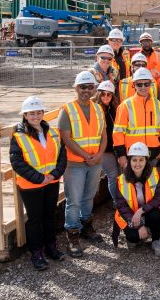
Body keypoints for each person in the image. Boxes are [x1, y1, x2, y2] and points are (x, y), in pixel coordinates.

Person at [10, 96, 67, 270]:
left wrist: (54, 174)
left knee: (49, 215)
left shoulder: (54, 133)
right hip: (31, 185)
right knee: (35, 219)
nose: (35, 116)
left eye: (38, 112)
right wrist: (39, 178)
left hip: (51, 181)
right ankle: (36, 252)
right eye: (31, 113)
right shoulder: (18, 137)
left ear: (43, 113)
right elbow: (17, 162)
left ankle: (51, 246)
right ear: (25, 115)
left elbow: (62, 156)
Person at [58, 71, 106, 257]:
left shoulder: (97, 108)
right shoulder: (67, 110)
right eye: (82, 87)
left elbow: (103, 135)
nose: (86, 90)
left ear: (95, 89)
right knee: (74, 201)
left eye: (90, 87)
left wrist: (99, 154)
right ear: (76, 88)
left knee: (88, 197)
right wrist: (87, 155)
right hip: (75, 163)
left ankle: (86, 226)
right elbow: (66, 138)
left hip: (94, 162)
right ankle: (73, 234)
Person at [113, 142, 160, 256]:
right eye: (134, 160)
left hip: (148, 211)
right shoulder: (121, 180)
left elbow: (159, 198)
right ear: (129, 161)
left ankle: (156, 240)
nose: (137, 163)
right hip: (130, 215)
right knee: (133, 238)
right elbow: (122, 206)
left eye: (141, 160)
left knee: (157, 215)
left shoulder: (155, 174)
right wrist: (139, 226)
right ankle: (140, 231)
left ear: (146, 161)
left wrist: (141, 210)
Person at [113, 67, 160, 169]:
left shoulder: (158, 105)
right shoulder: (125, 105)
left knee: (151, 184)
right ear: (134, 85)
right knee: (131, 185)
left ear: (151, 84)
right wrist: (121, 155)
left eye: (146, 84)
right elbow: (118, 133)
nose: (143, 87)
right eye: (139, 84)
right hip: (132, 157)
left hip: (153, 155)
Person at [93, 80, 120, 200]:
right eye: (103, 94)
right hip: (105, 150)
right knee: (113, 175)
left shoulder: (115, 108)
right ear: (99, 94)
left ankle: (123, 199)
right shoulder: (95, 109)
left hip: (117, 147)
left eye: (109, 94)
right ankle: (117, 201)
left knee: (121, 175)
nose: (106, 96)